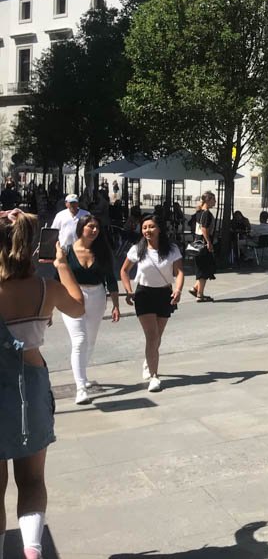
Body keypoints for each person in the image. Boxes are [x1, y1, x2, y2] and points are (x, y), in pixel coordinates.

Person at [0, 209, 85, 559]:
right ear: (35, 247)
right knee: (32, 480)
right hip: (29, 388)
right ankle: (32, 551)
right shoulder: (45, 289)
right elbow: (78, 307)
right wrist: (62, 263)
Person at [119, 215, 184, 393]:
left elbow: (179, 272)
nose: (147, 230)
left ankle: (148, 362)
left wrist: (178, 290)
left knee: (157, 336)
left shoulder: (171, 249)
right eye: (144, 227)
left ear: (159, 229)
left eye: (151, 227)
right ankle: (154, 376)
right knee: (152, 336)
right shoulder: (137, 249)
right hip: (144, 294)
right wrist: (128, 290)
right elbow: (124, 271)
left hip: (165, 294)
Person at [62, 216, 121, 405]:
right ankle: (81, 388)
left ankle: (82, 372)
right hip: (72, 296)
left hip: (97, 296)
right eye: (91, 226)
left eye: (97, 227)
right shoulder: (67, 251)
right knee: (79, 340)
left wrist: (116, 304)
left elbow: (111, 279)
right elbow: (57, 278)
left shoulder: (102, 251)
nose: (94, 230)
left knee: (90, 341)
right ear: (81, 228)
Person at [189, 191, 217, 302]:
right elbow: (204, 228)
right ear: (208, 200)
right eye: (213, 199)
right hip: (203, 244)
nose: (215, 202)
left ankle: (196, 288)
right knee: (204, 269)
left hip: (197, 242)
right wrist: (209, 242)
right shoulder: (206, 214)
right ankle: (199, 295)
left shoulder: (199, 212)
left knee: (204, 268)